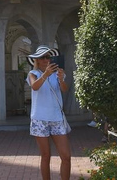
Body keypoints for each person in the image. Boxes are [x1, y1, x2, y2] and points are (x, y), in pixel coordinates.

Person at [27, 45, 72, 180]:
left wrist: (60, 78)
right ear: (37, 60)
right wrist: (45, 74)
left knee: (66, 156)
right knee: (46, 156)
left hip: (56, 118)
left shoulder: (57, 72)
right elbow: (35, 87)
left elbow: (64, 89)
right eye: (43, 57)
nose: (46, 59)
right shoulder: (32, 74)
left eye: (48, 57)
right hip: (40, 119)